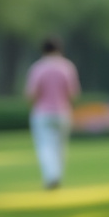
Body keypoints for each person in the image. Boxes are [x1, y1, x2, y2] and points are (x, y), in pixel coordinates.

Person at [24, 37, 81, 190]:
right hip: (63, 111)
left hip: (42, 113)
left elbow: (31, 94)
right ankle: (57, 176)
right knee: (60, 147)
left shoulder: (38, 68)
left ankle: (51, 176)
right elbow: (73, 93)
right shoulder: (67, 67)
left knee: (45, 147)